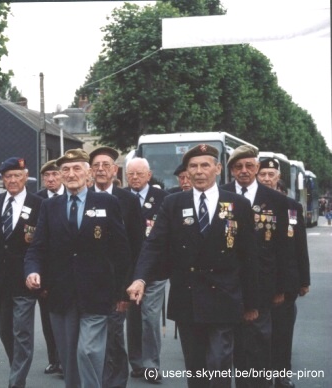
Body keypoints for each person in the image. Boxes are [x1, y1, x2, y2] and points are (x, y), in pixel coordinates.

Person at [127, 144, 260, 388]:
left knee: (219, 360)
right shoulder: (173, 203)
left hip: (225, 296)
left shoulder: (237, 204)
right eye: (193, 166)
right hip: (188, 296)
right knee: (195, 366)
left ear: (218, 169)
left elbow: (249, 255)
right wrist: (140, 278)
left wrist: (251, 302)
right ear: (186, 171)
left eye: (205, 165)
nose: (199, 171)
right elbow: (154, 244)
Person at [25, 148, 131, 388]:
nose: (71, 174)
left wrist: (123, 291)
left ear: (89, 173)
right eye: (65, 170)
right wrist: (32, 271)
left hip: (97, 294)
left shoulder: (107, 202)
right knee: (69, 358)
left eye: (76, 169)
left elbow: (121, 250)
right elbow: (37, 247)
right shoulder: (49, 207)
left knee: (88, 352)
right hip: (61, 295)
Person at [221, 145, 289, 388]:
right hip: (229, 283)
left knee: (260, 341)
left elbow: (283, 249)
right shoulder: (220, 195)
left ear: (257, 168)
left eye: (249, 165)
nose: (244, 171)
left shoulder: (277, 201)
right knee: (232, 344)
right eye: (238, 166)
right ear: (230, 170)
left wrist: (282, 287)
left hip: (263, 283)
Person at [0, 157, 42, 388]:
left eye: (17, 175)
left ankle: (16, 382)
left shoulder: (39, 204)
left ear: (26, 177)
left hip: (24, 281)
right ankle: (16, 370)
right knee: (6, 331)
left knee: (22, 333)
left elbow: (42, 244)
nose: (12, 180)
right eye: (8, 176)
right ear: (2, 179)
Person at [89, 146, 144, 388]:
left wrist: (126, 290)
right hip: (86, 283)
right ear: (90, 171)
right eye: (96, 165)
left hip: (115, 284)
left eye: (106, 165)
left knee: (113, 338)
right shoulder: (81, 196)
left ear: (115, 170)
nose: (101, 169)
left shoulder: (128, 201)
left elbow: (136, 246)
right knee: (89, 342)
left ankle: (116, 383)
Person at [257, 159, 311, 388]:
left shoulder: (292, 207)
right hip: (259, 282)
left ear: (278, 177)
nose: (267, 178)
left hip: (286, 281)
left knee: (282, 332)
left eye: (271, 174)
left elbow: (300, 246)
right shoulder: (250, 205)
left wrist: (304, 280)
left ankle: (281, 374)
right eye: (263, 174)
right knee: (259, 335)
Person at [124, 157, 168, 382]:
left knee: (150, 318)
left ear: (149, 175)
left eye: (139, 174)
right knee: (133, 319)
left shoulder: (163, 199)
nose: (134, 178)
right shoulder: (120, 198)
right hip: (128, 271)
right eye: (130, 174)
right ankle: (137, 363)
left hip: (154, 271)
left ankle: (151, 365)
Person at [34, 159, 64, 375]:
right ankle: (55, 359)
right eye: (47, 176)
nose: (51, 179)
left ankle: (68, 360)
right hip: (47, 271)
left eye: (54, 175)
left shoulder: (73, 195)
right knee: (48, 318)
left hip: (69, 269)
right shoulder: (38, 200)